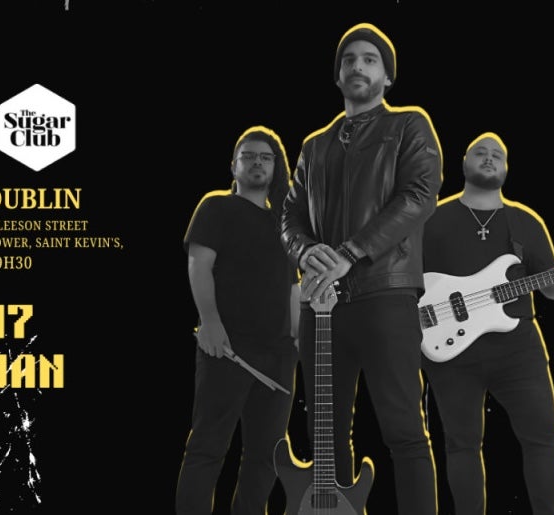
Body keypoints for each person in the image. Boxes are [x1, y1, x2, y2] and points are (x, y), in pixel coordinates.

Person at [280, 22, 443, 515]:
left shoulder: (409, 124)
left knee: (403, 430)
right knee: (325, 435)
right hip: (322, 304)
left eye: (370, 59)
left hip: (386, 293)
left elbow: (419, 195)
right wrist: (305, 251)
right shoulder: (313, 146)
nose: (357, 66)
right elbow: (288, 217)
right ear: (337, 76)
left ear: (387, 77)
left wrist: (350, 253)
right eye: (348, 60)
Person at [420, 131, 554, 515]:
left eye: (497, 155)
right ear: (464, 163)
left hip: (518, 349)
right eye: (480, 152)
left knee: (543, 438)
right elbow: (407, 282)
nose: (489, 158)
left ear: (506, 169)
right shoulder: (432, 218)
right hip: (451, 350)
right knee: (461, 443)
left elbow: (552, 286)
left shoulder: (525, 221)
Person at [175, 126, 300, 515]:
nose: (258, 163)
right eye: (250, 156)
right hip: (227, 348)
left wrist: (298, 340)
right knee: (208, 447)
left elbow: (293, 287)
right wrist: (209, 323)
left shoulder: (286, 223)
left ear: (276, 167)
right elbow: (199, 265)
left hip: (279, 355)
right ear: (234, 165)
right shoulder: (216, 207)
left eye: (266, 157)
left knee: (267, 456)